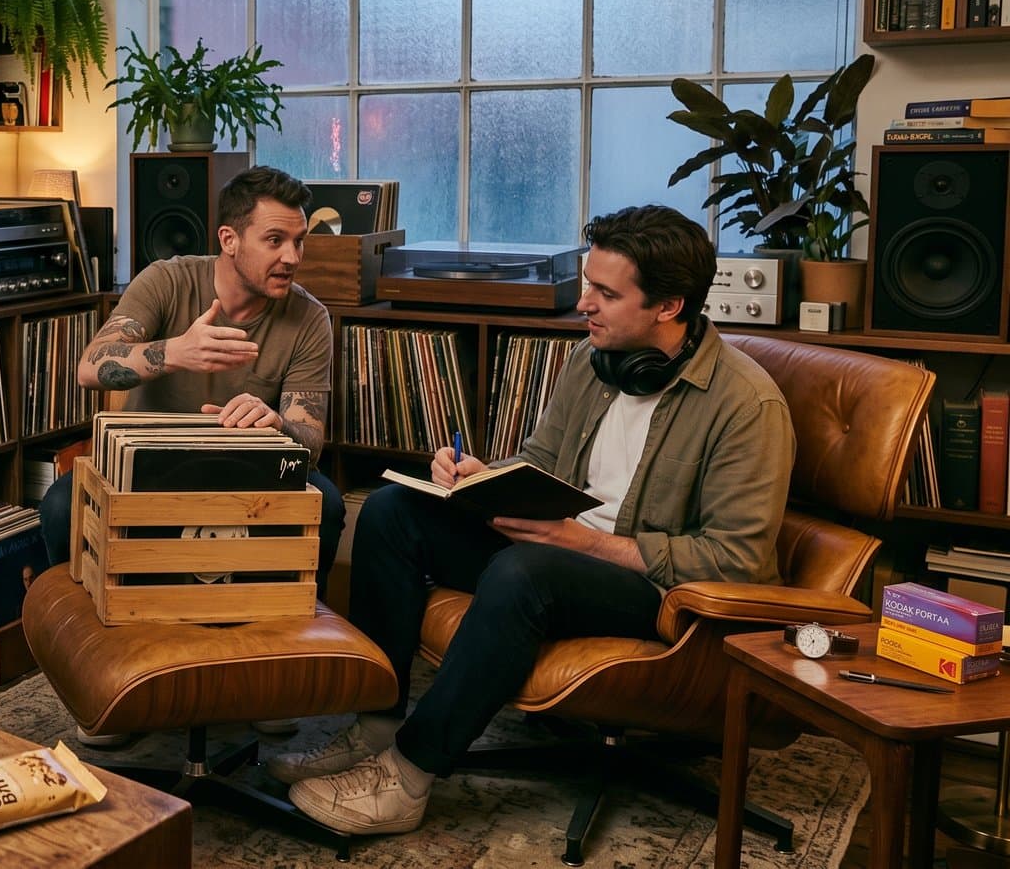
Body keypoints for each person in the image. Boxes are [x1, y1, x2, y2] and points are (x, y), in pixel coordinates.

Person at [270, 204, 795, 836]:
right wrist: (483, 478)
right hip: (559, 546)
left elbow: (736, 561)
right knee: (391, 511)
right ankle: (377, 727)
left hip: (655, 592)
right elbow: (542, 461)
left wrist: (585, 543)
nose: (584, 305)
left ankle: (407, 778)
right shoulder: (595, 361)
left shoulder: (748, 405)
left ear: (668, 306)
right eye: (586, 284)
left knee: (527, 571)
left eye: (605, 292)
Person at [38, 165, 343, 594]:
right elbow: (90, 368)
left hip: (247, 471)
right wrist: (177, 352)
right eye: (275, 241)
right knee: (59, 506)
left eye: (299, 242)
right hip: (148, 464)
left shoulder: (310, 318)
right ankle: (92, 630)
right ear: (229, 240)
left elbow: (310, 442)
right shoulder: (167, 279)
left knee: (326, 504)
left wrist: (277, 423)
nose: (292, 257)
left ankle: (283, 637)